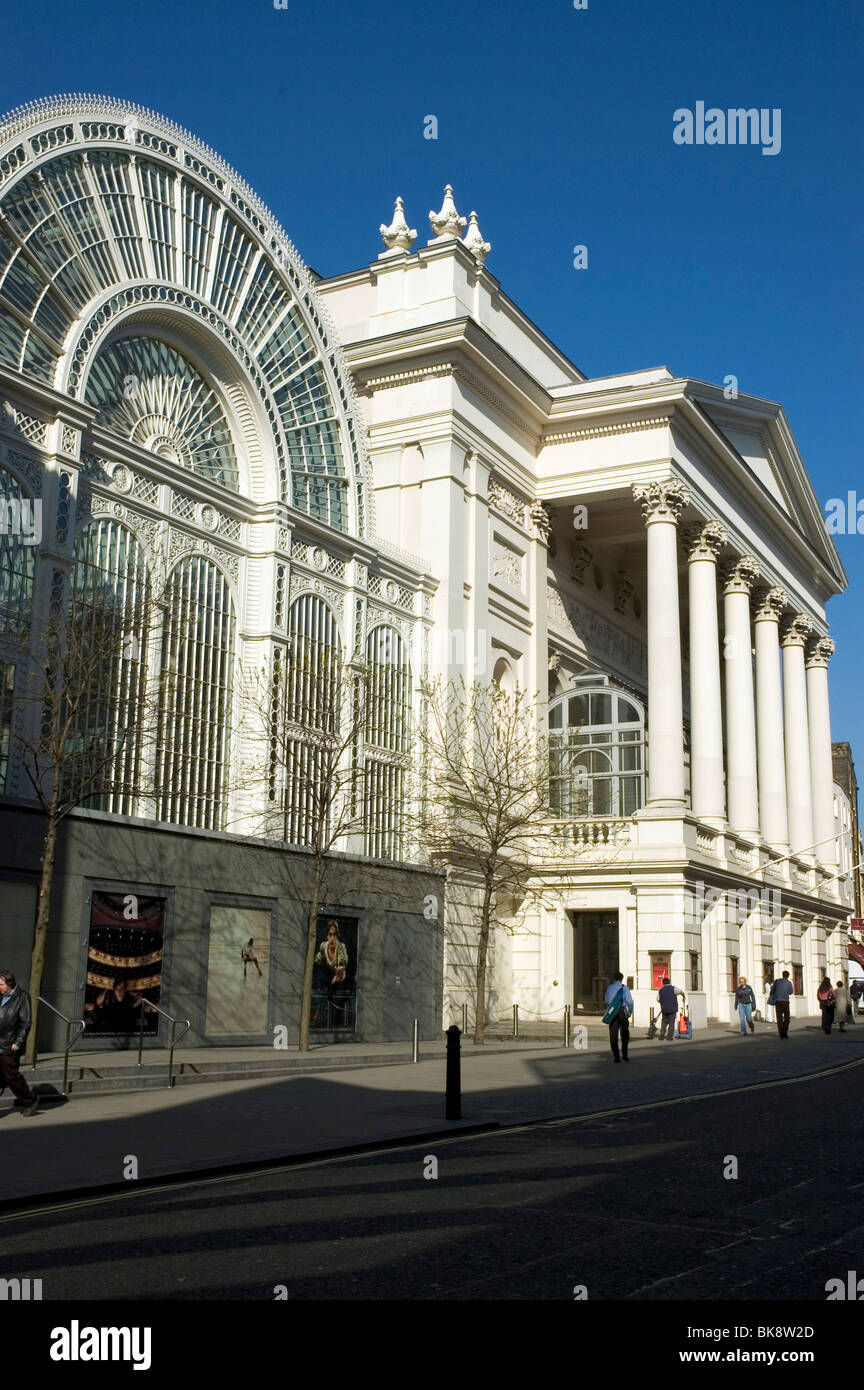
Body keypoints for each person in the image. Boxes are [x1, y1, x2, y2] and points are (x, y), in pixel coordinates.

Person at [0, 970, 40, 1116]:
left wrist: (18, 1041)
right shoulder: (1, 996)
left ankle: (30, 1100)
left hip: (9, 1044)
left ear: (9, 984)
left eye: (1, 984)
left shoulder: (22, 997)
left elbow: (26, 1022)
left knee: (11, 1077)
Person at [604, 971, 633, 1063]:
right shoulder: (624, 988)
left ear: (614, 978)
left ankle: (616, 1056)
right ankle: (625, 1055)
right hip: (622, 1011)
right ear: (621, 979)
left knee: (613, 1034)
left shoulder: (609, 988)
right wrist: (629, 1012)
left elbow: (606, 1000)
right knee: (625, 1034)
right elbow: (629, 1001)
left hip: (612, 1011)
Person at [768, 970, 794, 1038]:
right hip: (785, 1002)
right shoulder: (789, 983)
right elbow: (791, 992)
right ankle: (784, 1031)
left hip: (778, 1001)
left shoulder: (777, 981)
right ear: (788, 976)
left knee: (779, 1018)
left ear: (782, 975)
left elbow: (772, 990)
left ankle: (781, 1033)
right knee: (787, 1017)